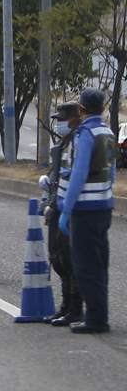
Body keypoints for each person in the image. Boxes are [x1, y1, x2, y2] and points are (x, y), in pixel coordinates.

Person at [58, 89, 116, 334]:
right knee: (100, 263)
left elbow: (78, 176)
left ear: (81, 110)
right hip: (104, 205)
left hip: (85, 209)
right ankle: (99, 313)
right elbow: (111, 173)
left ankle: (95, 319)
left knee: (86, 266)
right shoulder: (108, 132)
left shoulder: (85, 134)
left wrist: (66, 211)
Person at [45, 102, 83, 327]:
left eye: (61, 119)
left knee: (69, 261)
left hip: (69, 207)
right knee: (57, 259)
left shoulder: (78, 142)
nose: (58, 123)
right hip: (57, 204)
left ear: (73, 119)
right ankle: (66, 306)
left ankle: (75, 309)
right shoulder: (63, 144)